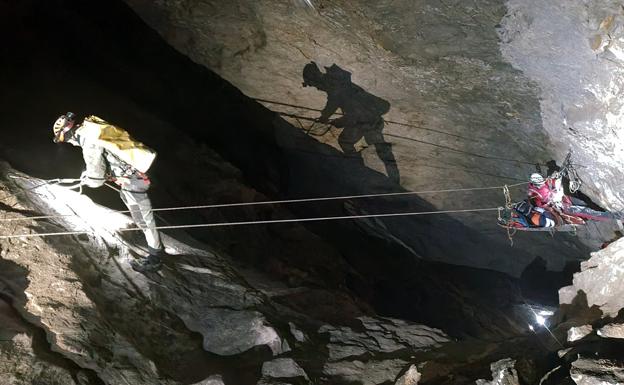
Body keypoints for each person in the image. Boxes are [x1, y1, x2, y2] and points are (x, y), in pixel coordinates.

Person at [53, 112, 163, 272]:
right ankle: (154, 249)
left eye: (66, 140)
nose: (70, 143)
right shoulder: (91, 130)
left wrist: (88, 179)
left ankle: (155, 258)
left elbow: (96, 178)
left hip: (135, 178)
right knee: (137, 210)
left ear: (67, 134)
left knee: (143, 219)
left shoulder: (87, 139)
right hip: (138, 172)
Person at [302, 62, 400, 183]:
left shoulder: (333, 86)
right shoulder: (335, 83)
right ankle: (391, 177)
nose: (315, 87)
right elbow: (335, 104)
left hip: (366, 120)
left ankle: (360, 169)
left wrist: (334, 120)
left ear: (316, 78)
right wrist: (326, 117)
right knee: (379, 148)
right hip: (369, 117)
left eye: (312, 83)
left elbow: (340, 107)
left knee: (348, 142)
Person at [528, 172, 619, 222]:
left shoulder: (546, 181)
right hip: (562, 206)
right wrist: (551, 202)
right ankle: (617, 217)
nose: (543, 181)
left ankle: (600, 214)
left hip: (566, 198)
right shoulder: (534, 194)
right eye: (541, 182)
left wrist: (557, 180)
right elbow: (541, 205)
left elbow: (554, 182)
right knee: (587, 212)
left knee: (585, 203)